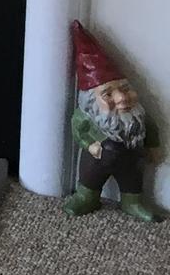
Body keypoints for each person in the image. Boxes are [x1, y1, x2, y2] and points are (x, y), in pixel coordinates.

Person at [63, 20, 159, 221]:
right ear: (92, 102)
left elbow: (150, 127)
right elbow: (78, 130)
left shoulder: (138, 115)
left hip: (132, 157)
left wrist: (152, 146)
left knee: (132, 180)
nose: (121, 98)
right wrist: (89, 145)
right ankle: (86, 197)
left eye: (125, 89)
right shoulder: (85, 116)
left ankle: (132, 202)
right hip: (97, 159)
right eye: (108, 94)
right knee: (91, 178)